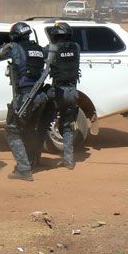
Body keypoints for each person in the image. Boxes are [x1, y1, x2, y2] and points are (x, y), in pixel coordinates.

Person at [0, 22, 49, 182]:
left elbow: (0, 54)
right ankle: (32, 161)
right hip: (40, 96)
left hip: (25, 97)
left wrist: (6, 45)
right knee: (29, 129)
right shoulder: (39, 49)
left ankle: (24, 169)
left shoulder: (14, 48)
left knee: (12, 131)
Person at [44, 21, 80, 170]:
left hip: (59, 91)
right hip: (73, 91)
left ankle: (32, 160)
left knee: (43, 122)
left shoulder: (52, 48)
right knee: (67, 126)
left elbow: (44, 58)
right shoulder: (76, 48)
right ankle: (69, 160)